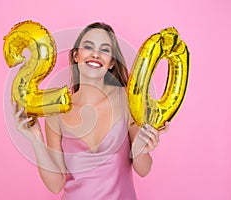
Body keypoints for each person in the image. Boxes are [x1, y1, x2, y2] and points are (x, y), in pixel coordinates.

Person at [12, 22, 169, 200]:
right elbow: (56, 185)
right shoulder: (56, 111)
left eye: (105, 49)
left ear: (111, 63)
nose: (96, 54)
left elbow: (144, 169)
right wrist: (35, 138)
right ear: (76, 55)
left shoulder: (128, 101)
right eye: (88, 47)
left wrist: (142, 148)